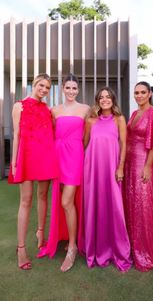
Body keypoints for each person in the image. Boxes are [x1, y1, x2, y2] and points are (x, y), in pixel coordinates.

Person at [37, 74, 90, 272]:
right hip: (57, 156)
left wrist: (77, 150)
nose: (71, 91)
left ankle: (73, 247)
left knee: (67, 201)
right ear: (62, 89)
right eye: (67, 88)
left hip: (75, 156)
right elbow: (49, 133)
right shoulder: (54, 110)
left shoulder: (85, 109)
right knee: (62, 200)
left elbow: (86, 138)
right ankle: (66, 238)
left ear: (78, 90)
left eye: (74, 88)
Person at [8, 73, 58, 270]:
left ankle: (40, 233)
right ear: (34, 84)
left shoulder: (47, 109)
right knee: (26, 200)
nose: (44, 90)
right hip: (26, 158)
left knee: (43, 195)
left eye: (47, 88)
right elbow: (17, 135)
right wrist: (13, 162)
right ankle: (21, 249)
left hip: (45, 156)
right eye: (41, 86)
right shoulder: (19, 106)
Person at [83, 87, 132, 272]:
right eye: (101, 97)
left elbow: (123, 143)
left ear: (113, 99)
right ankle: (96, 249)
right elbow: (85, 144)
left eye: (108, 97)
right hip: (93, 169)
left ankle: (117, 250)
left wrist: (120, 167)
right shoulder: (90, 121)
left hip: (112, 169)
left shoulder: (119, 119)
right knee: (94, 206)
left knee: (114, 208)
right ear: (97, 100)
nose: (105, 100)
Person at [123, 81, 153, 272]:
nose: (139, 95)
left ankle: (147, 251)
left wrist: (148, 166)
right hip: (130, 163)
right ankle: (132, 248)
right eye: (136, 92)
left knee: (143, 206)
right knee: (131, 205)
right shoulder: (134, 113)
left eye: (142, 92)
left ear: (149, 94)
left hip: (143, 163)